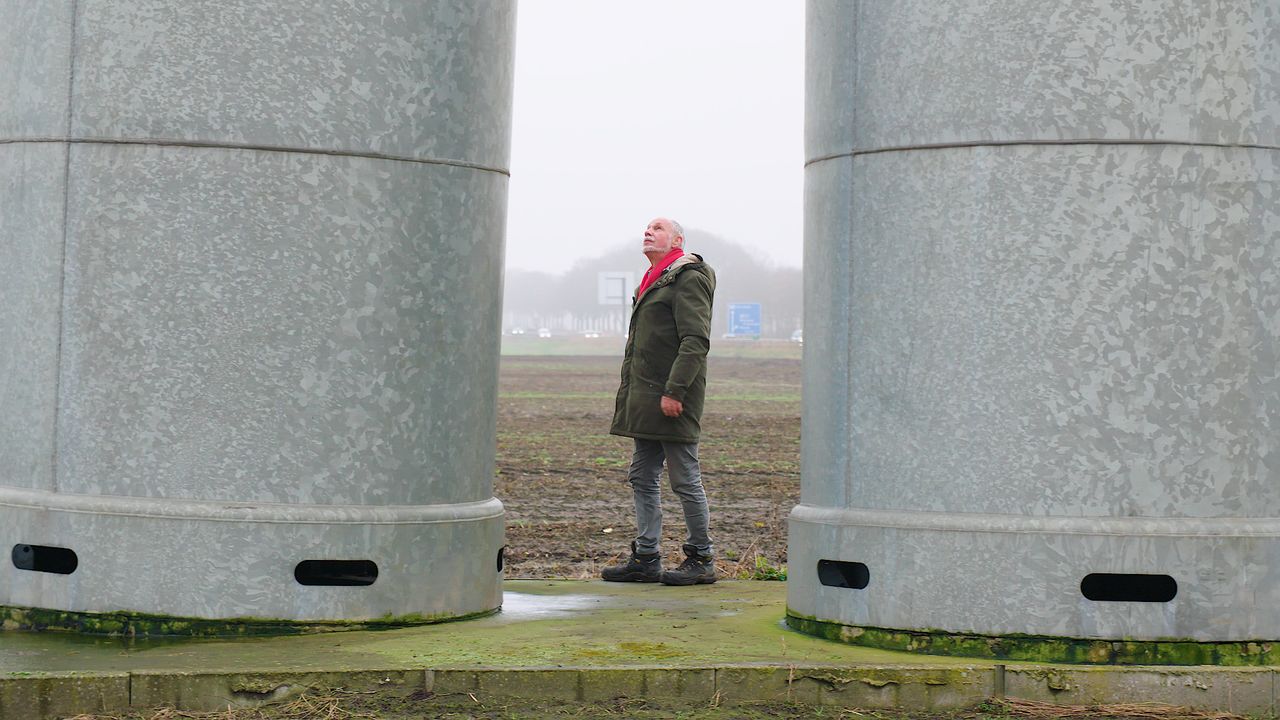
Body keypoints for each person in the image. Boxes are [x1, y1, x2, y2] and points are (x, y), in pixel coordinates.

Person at [602, 217, 717, 586]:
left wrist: (675, 391)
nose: (648, 232)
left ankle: (701, 559)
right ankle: (647, 557)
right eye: (646, 228)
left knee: (684, 478)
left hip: (672, 398)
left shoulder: (689, 276)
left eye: (658, 228)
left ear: (677, 240)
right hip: (647, 398)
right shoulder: (653, 279)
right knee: (642, 475)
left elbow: (695, 340)